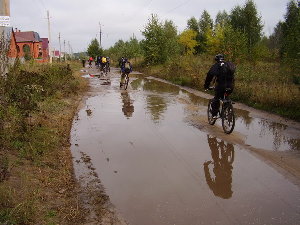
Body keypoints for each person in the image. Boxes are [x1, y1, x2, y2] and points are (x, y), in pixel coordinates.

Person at [204, 54, 235, 119]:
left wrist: (206, 86)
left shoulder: (216, 65)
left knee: (216, 98)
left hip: (221, 86)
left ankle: (214, 115)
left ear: (216, 59)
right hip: (231, 86)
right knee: (226, 97)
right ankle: (227, 111)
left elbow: (209, 76)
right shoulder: (229, 64)